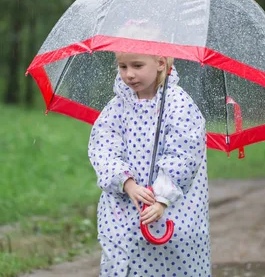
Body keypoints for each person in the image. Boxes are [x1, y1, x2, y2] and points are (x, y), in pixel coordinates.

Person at [88, 51, 211, 276]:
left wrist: (162, 198)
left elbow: (183, 155)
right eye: (122, 66)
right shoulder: (117, 107)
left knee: (170, 264)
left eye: (137, 65)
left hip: (170, 209)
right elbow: (103, 148)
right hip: (124, 208)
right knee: (123, 262)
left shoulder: (178, 104)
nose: (129, 74)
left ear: (160, 63)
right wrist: (127, 183)